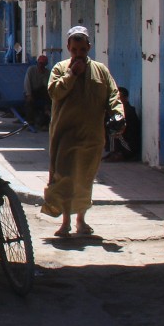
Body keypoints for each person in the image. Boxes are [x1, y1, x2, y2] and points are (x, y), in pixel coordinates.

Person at [41, 26, 124, 238]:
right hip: (65, 135)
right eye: (74, 49)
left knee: (84, 178)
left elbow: (112, 95)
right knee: (65, 177)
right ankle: (66, 221)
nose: (78, 54)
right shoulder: (60, 69)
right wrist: (72, 74)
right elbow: (54, 92)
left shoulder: (100, 71)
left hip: (92, 136)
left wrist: (117, 114)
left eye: (82, 50)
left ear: (89, 47)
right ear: (68, 48)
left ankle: (81, 221)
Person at [105, 87, 142, 162]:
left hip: (128, 144)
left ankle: (122, 153)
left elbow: (131, 133)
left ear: (125, 98)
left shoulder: (129, 111)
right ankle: (114, 152)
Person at [23, 54, 52, 128]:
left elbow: (47, 85)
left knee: (48, 98)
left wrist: (43, 75)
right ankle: (30, 122)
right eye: (40, 63)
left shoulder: (47, 73)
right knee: (29, 102)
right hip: (31, 91)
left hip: (41, 92)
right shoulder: (31, 70)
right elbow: (27, 82)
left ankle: (45, 122)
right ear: (38, 63)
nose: (41, 65)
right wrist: (29, 94)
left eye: (43, 64)